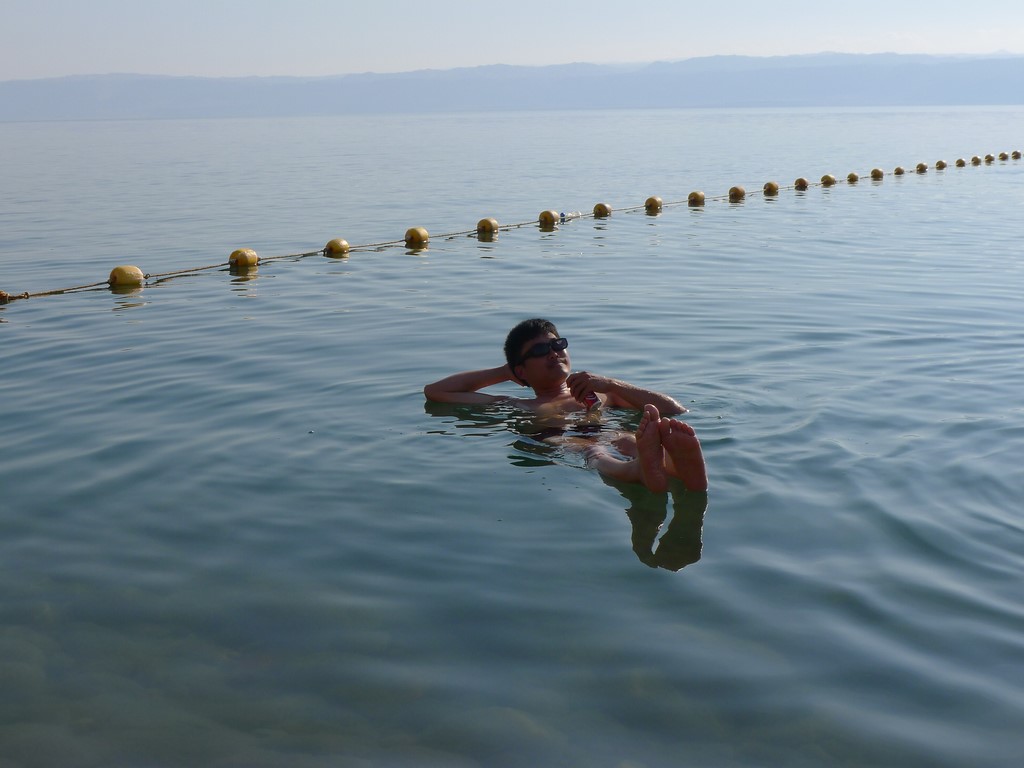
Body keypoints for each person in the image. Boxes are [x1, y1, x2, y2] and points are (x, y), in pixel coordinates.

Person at [423, 318, 708, 492]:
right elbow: (435, 391)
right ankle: (637, 471)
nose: (552, 353)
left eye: (557, 345)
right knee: (593, 450)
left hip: (609, 431)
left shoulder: (604, 393)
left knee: (627, 439)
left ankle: (674, 467)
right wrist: (506, 371)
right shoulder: (515, 404)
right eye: (539, 350)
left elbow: (674, 410)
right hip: (560, 440)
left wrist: (612, 384)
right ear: (521, 370)